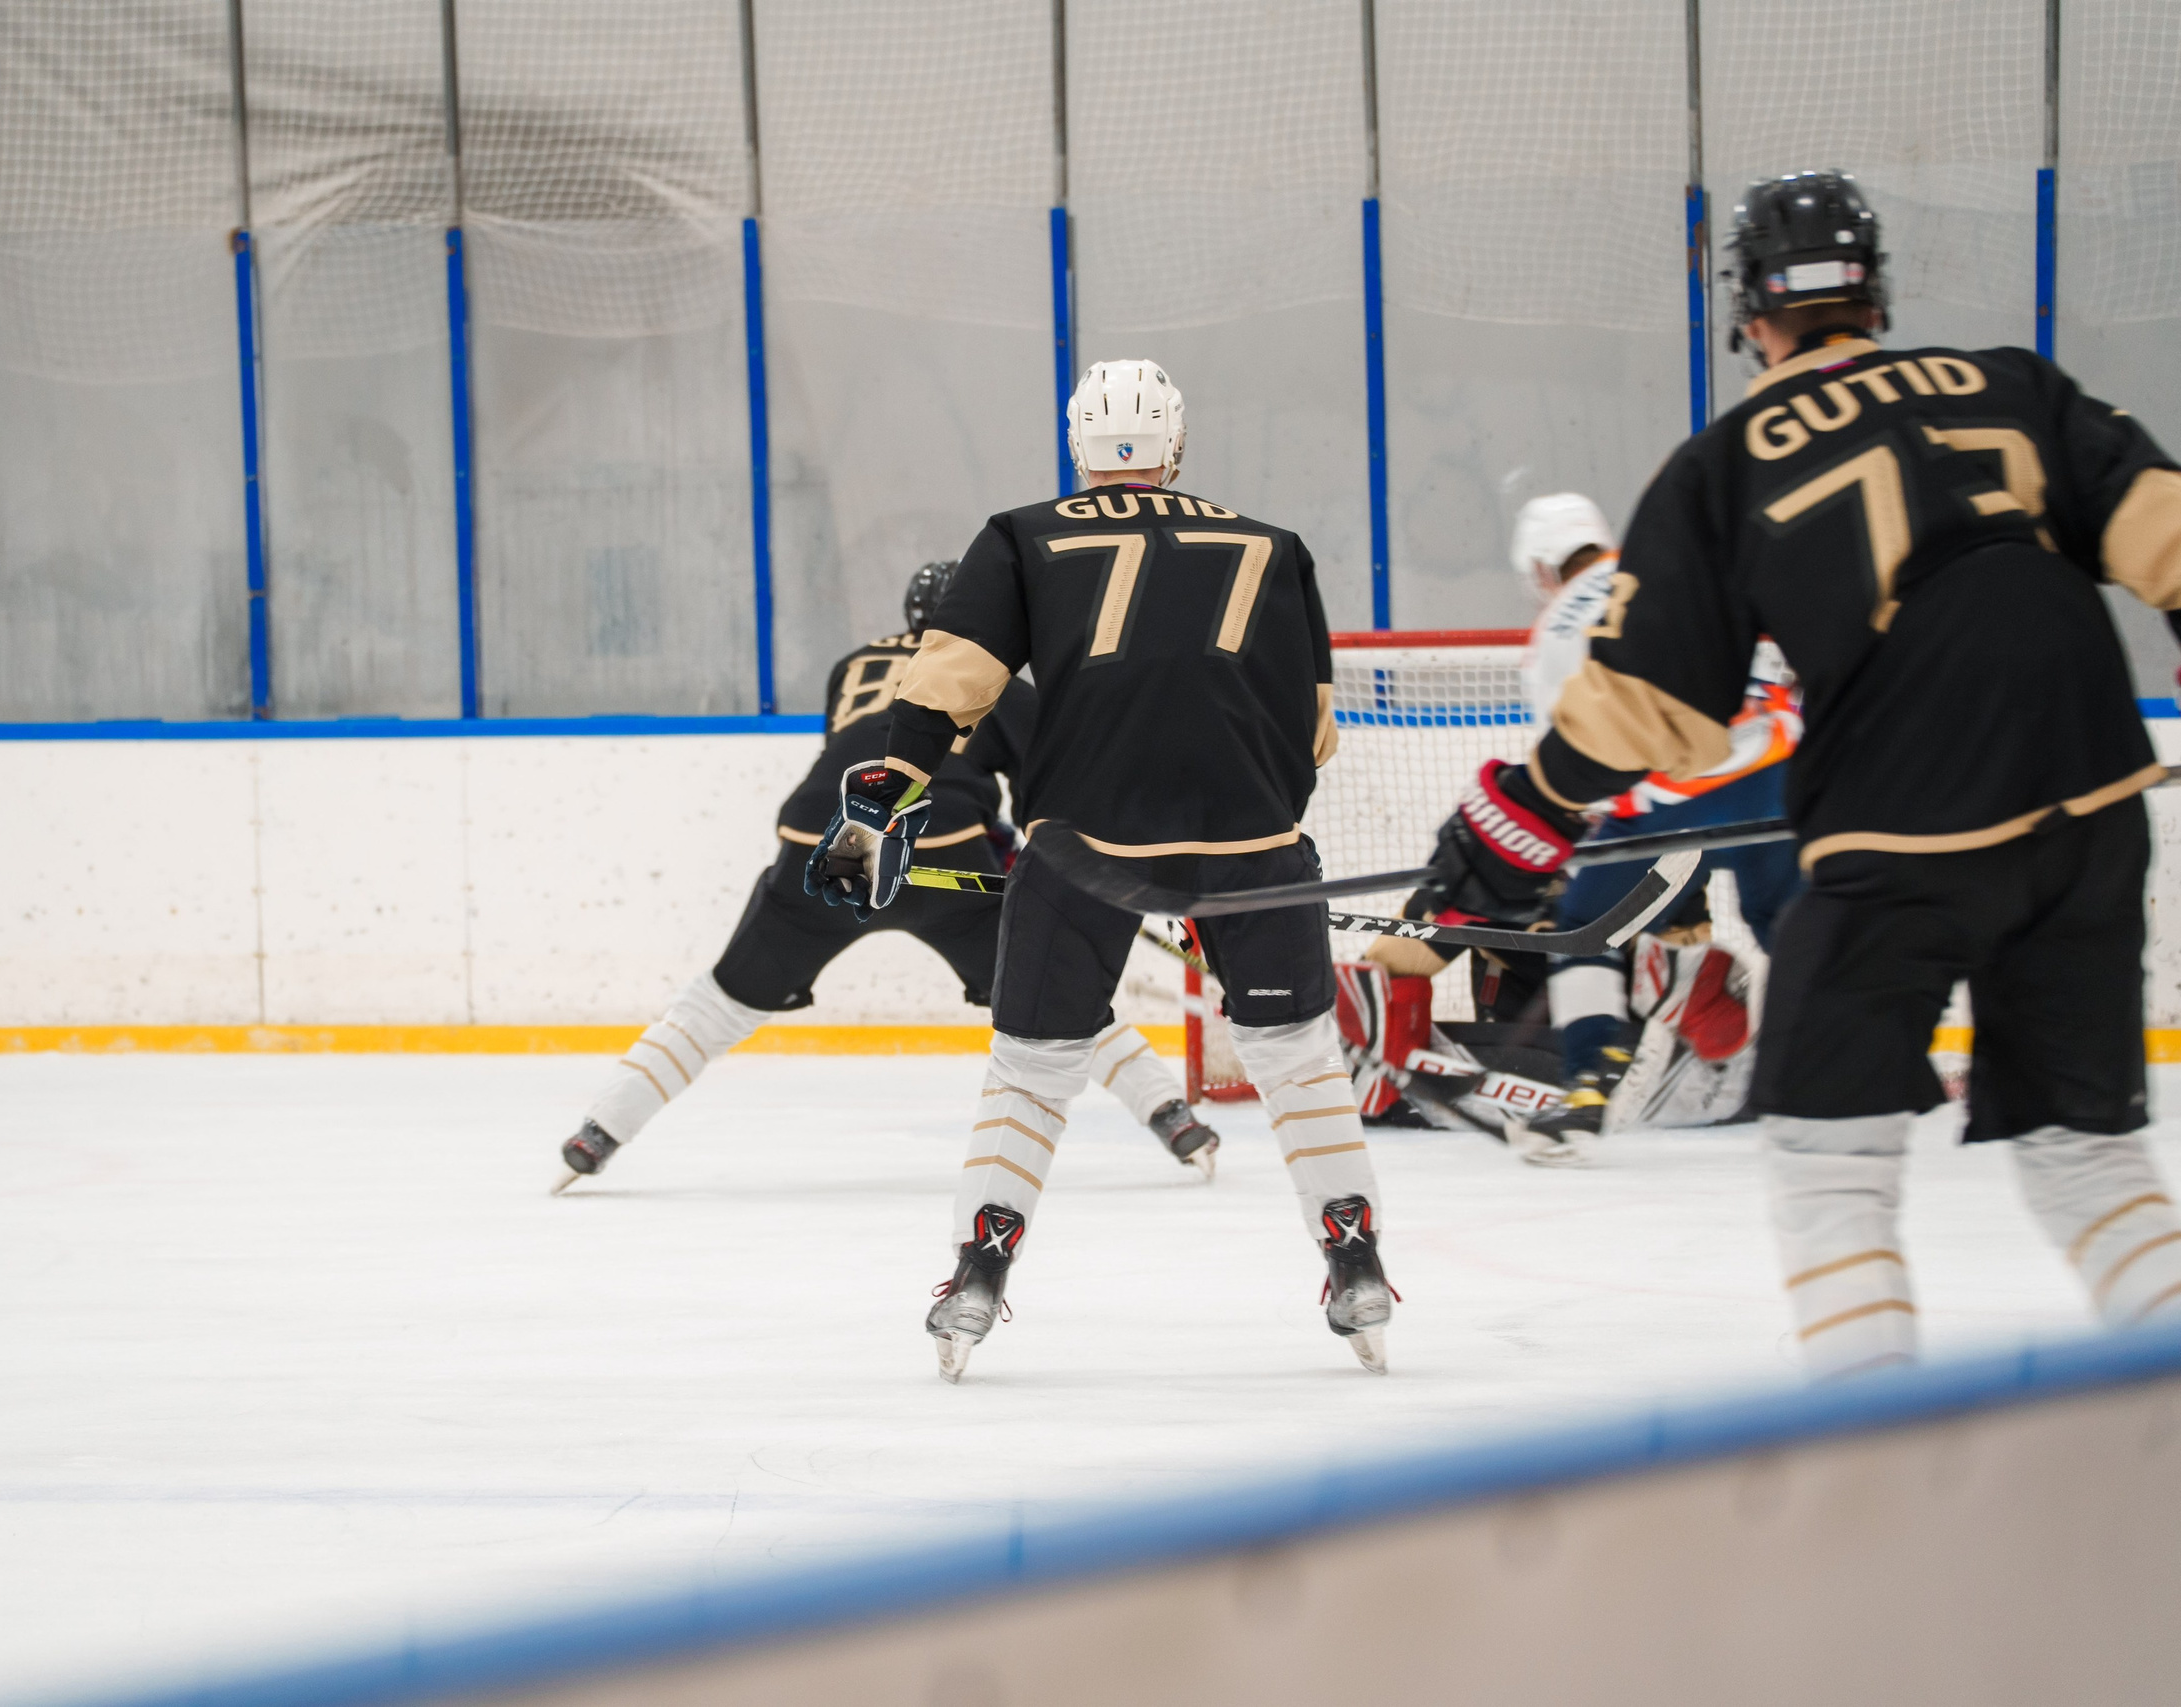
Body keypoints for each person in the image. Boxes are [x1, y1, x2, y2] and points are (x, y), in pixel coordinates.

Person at [1410, 170, 2181, 1377]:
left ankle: (1872, 1468)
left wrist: (1528, 803)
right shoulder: (2012, 384)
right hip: (2089, 798)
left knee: (1829, 1159)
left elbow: (1656, 705)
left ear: (1748, 310)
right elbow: (2165, 532)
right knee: (2086, 1154)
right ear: (1871, 292)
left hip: (1898, 824)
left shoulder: (1724, 467)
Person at [811, 360, 1394, 1381]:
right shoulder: (1274, 545)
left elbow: (950, 685)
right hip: (1253, 846)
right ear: (1176, 444)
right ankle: (1355, 1263)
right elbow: (1312, 733)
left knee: (1034, 1067)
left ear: (1077, 442)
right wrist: (1246, 831)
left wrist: (877, 804)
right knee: (1295, 1057)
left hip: (1082, 844)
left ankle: (978, 1273)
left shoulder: (1022, 535)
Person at [553, 560, 1220, 1194]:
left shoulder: (854, 665)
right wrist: (1035, 859)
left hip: (822, 846)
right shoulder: (1000, 679)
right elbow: (1043, 798)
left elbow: (855, 756)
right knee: (1057, 997)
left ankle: (599, 1132)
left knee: (723, 998)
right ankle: (1174, 1120)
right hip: (943, 846)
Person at [1500, 492, 1806, 1161]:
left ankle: (1590, 1083)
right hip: (1777, 774)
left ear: (1543, 566)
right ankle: (1832, 1069)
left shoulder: (1555, 628)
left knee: (1585, 925)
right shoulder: (1685, 567)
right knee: (1791, 925)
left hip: (1668, 797)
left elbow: (1575, 756)